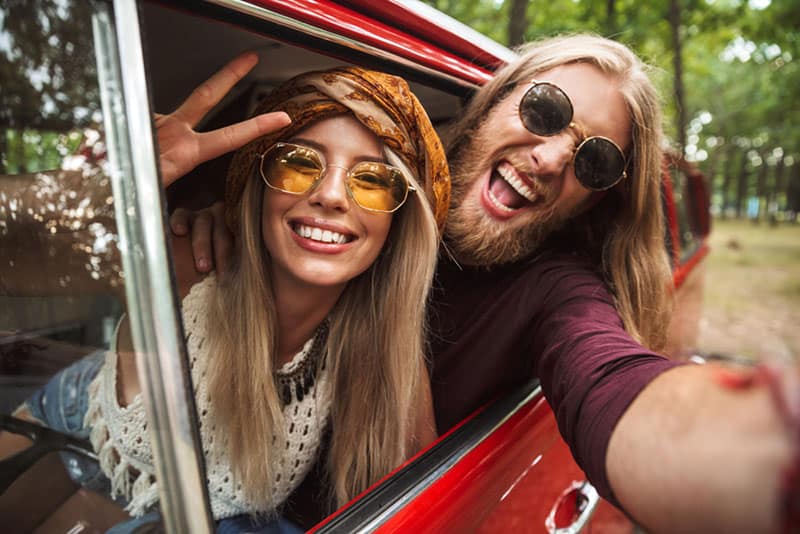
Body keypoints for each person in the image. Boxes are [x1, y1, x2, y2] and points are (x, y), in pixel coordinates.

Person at [178, 36, 798, 532]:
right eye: (546, 109)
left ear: (594, 204)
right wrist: (226, 221)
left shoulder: (558, 292)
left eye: (595, 160)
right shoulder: (362, 189)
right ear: (492, 102)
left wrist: (763, 451)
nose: (553, 158)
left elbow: (608, 375)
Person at [1, 55, 448, 532]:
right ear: (260, 185)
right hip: (70, 427)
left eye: (375, 182)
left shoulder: (385, 343)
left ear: (397, 224)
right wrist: (89, 192)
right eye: (298, 163)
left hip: (206, 513)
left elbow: (437, 499)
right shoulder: (191, 261)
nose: (332, 195)